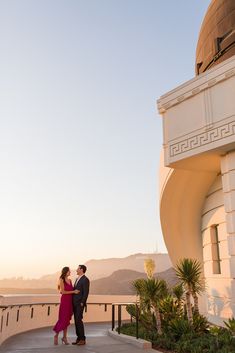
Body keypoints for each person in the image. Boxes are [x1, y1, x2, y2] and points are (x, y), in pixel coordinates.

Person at [53, 266, 79, 345]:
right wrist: (73, 291)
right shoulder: (61, 280)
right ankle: (56, 335)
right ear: (65, 272)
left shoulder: (70, 280)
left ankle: (64, 337)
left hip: (69, 303)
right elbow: (63, 292)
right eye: (69, 271)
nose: (70, 272)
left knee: (67, 320)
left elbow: (72, 291)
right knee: (62, 319)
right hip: (64, 302)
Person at [72, 264, 90, 345]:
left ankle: (82, 339)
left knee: (79, 320)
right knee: (76, 321)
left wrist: (82, 302)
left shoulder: (85, 279)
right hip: (74, 303)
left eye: (77, 268)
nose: (76, 270)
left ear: (81, 269)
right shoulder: (77, 279)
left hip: (80, 304)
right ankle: (78, 338)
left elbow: (86, 292)